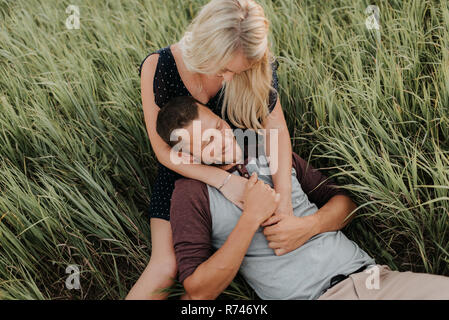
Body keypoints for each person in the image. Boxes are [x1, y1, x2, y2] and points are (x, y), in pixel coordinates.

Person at [161, 96, 449, 300]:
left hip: (374, 279)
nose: (223, 141)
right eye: (207, 143)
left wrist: (307, 226)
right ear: (187, 156)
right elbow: (199, 290)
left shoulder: (268, 150)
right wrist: (250, 219)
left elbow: (345, 203)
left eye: (219, 129)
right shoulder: (191, 194)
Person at [128, 0, 300, 299]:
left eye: (238, 70)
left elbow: (276, 129)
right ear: (206, 47)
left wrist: (284, 200)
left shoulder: (254, 61)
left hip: (242, 157)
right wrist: (224, 182)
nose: (230, 79)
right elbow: (162, 150)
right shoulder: (160, 67)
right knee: (165, 267)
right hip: (184, 167)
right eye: (223, 69)